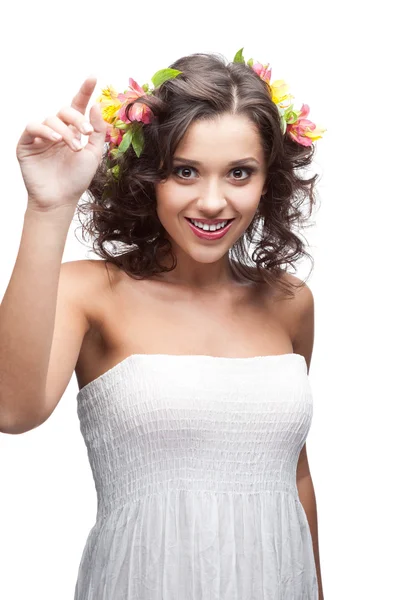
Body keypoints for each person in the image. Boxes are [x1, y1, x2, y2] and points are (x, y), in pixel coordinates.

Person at [2, 49, 325, 599]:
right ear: (149, 176)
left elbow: (293, 474)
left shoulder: (288, 301)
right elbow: (11, 409)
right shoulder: (90, 291)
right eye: (185, 171)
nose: (213, 201)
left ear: (268, 180)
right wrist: (48, 208)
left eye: (239, 173)